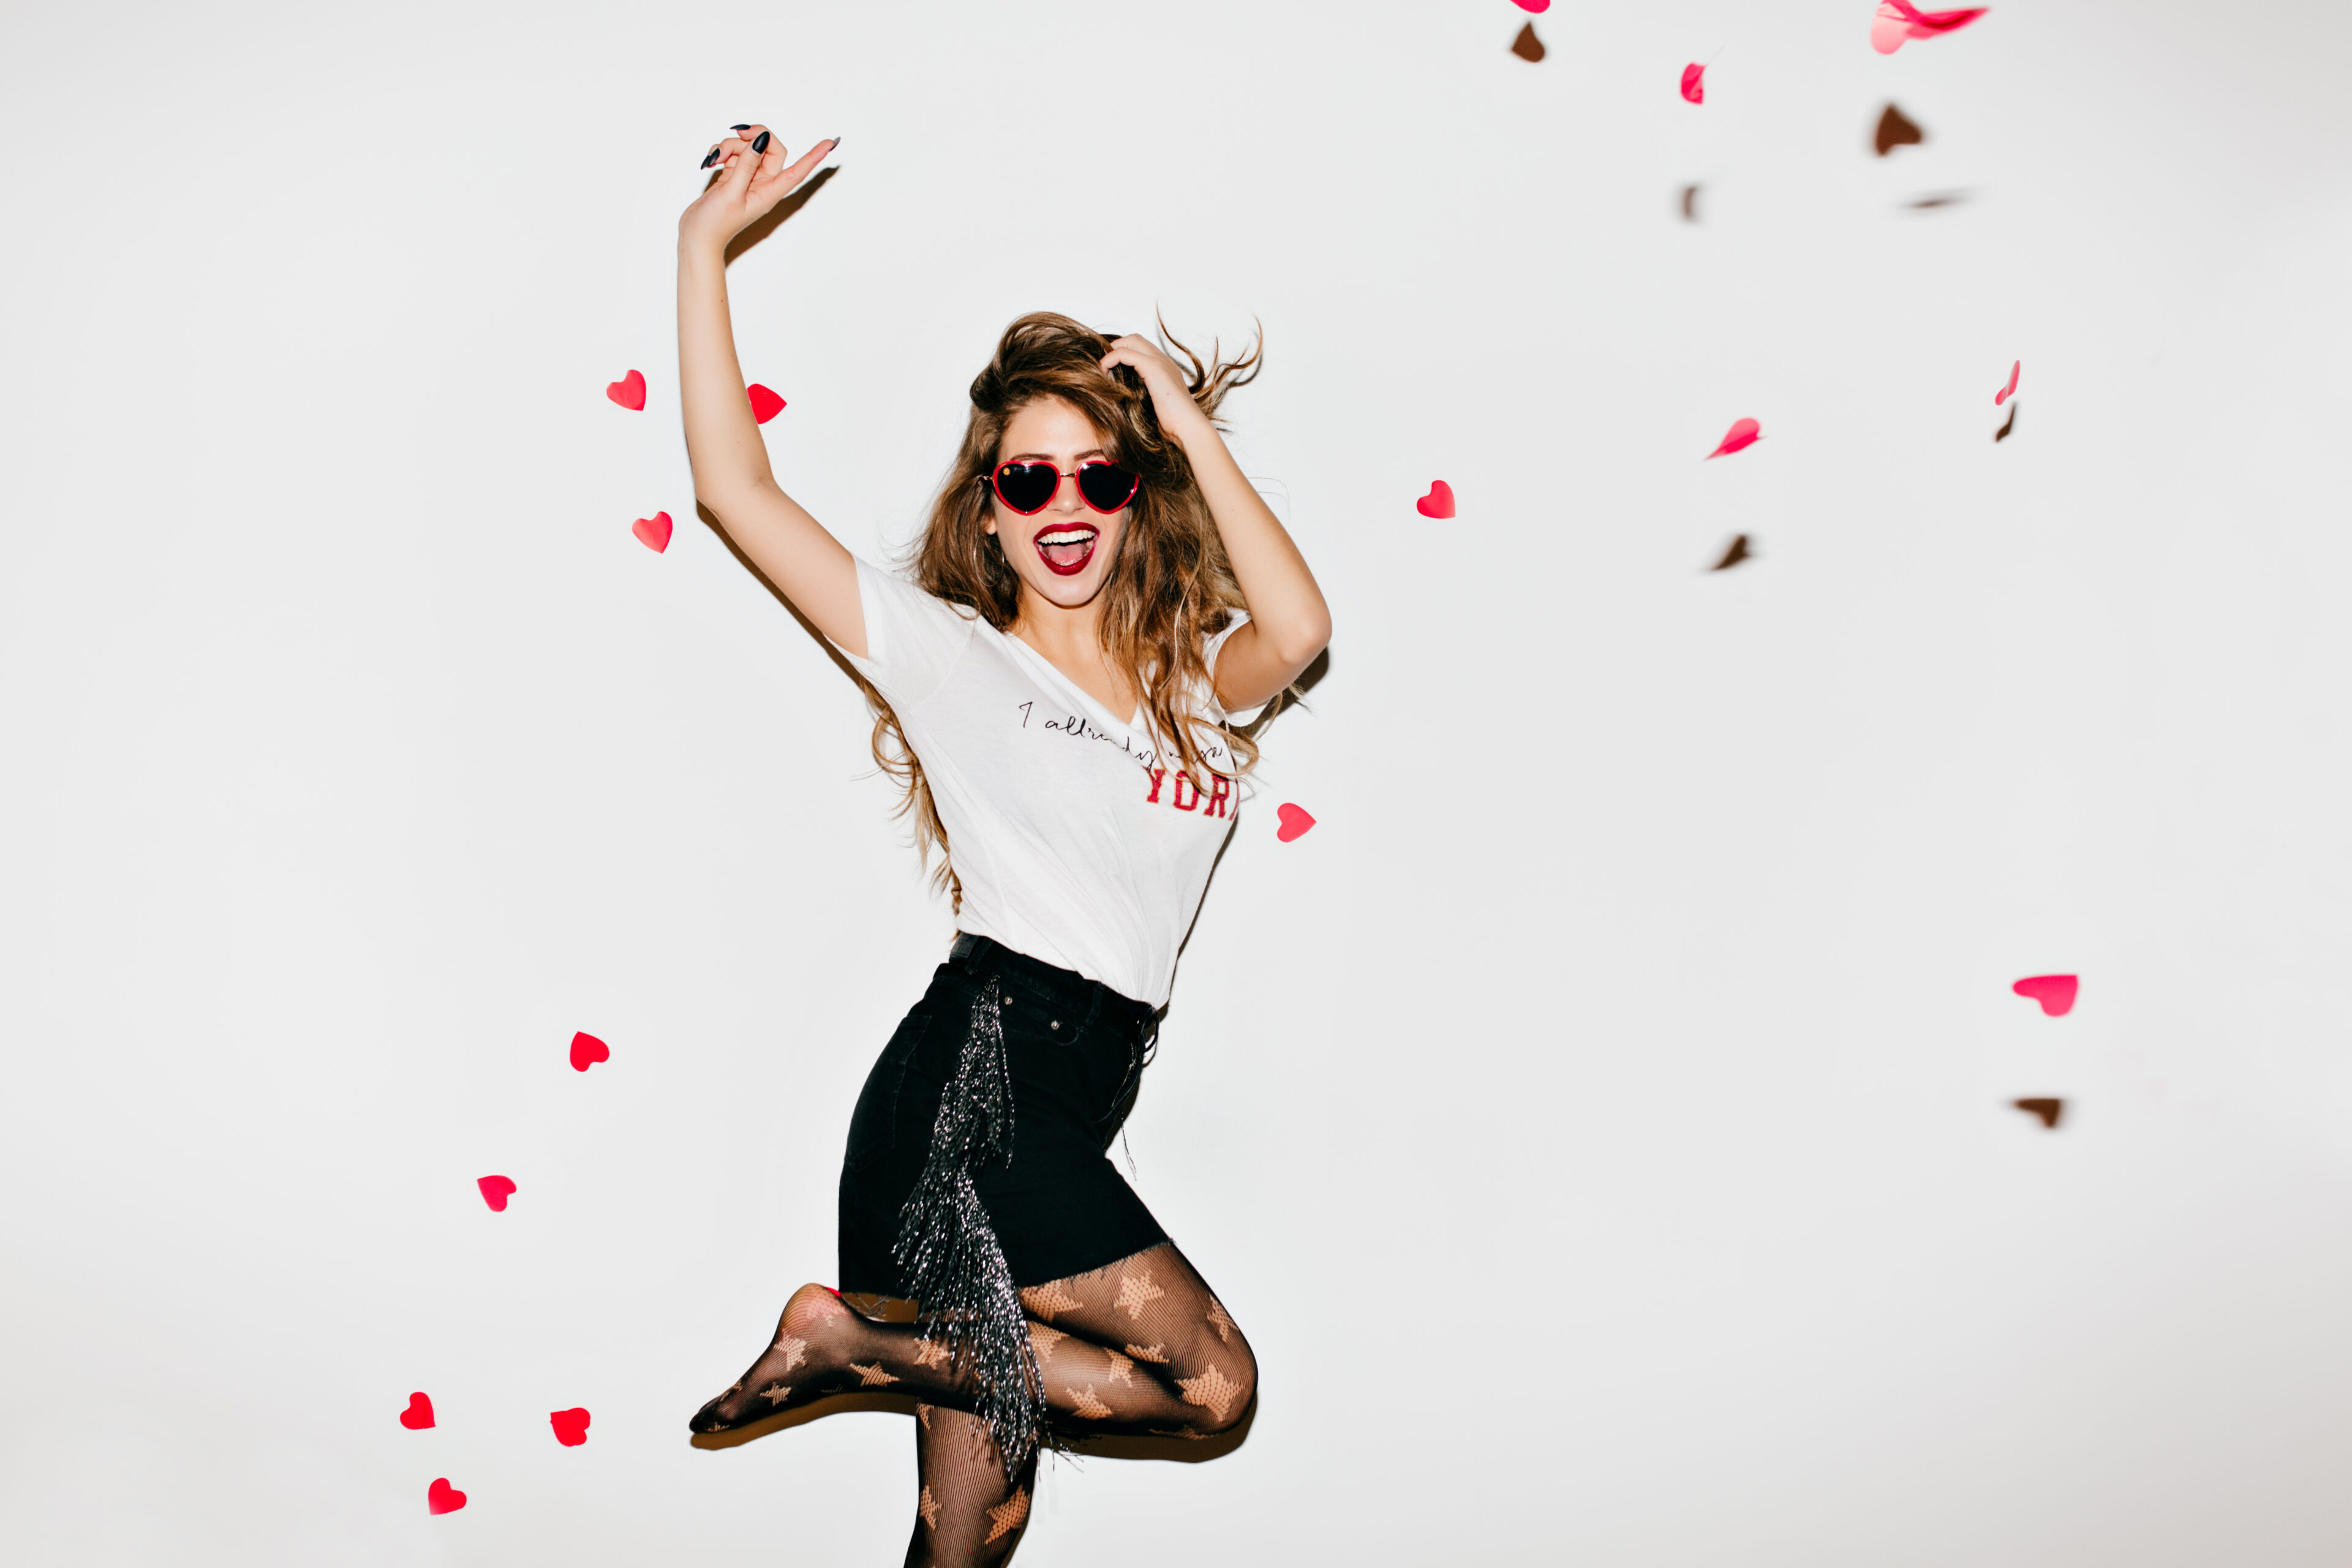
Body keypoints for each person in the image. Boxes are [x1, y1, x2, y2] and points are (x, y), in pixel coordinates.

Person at [676, 124, 1332, 1566]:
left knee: (965, 1536)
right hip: (977, 1083)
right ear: (993, 504)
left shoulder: (1192, 698)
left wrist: (1178, 412)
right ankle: (846, 1344)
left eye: (1099, 476)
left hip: (1071, 1103)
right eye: (1028, 482)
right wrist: (703, 251)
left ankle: (854, 1347)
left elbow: (1299, 629)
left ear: (1135, 493)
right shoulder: (958, 661)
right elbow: (737, 492)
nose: (1067, 510)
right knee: (1213, 1384)